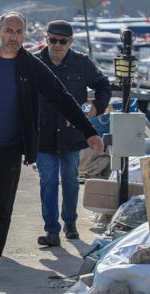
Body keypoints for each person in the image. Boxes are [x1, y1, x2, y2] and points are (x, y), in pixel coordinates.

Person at [0, 12, 103, 280]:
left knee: (2, 206)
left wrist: (89, 131)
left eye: (19, 32)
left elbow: (62, 98)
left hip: (9, 146)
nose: (13, 37)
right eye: (8, 31)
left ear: (24, 34)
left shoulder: (31, 66)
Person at [34, 20, 112, 246]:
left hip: (71, 135)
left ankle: (70, 223)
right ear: (45, 38)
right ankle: (51, 231)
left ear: (71, 42)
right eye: (52, 40)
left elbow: (104, 86)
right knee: (48, 180)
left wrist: (92, 109)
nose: (57, 45)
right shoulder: (34, 62)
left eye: (62, 41)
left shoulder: (82, 63)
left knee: (69, 180)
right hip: (44, 134)